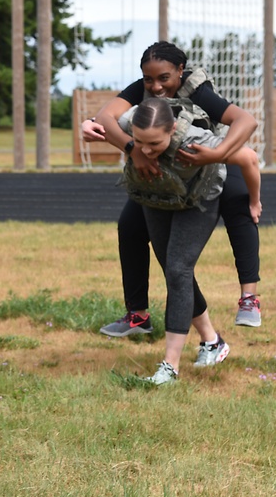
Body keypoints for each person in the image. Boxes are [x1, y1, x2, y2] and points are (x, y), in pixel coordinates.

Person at [81, 41, 263, 333]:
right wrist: (132, 148)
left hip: (209, 158)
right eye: (149, 79)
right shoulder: (140, 88)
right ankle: (138, 315)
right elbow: (104, 117)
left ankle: (249, 298)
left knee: (240, 207)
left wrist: (218, 155)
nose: (155, 86)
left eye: (164, 78)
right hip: (170, 167)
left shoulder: (198, 91)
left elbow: (246, 121)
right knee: (130, 226)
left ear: (180, 70)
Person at [119, 96, 243, 385]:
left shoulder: (198, 140)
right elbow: (104, 120)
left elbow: (248, 159)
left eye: (155, 144)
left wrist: (254, 202)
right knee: (176, 273)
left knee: (178, 269)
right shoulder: (130, 123)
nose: (146, 151)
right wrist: (121, 143)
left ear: (173, 129)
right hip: (159, 198)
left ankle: (170, 367)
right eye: (140, 142)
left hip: (199, 201)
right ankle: (212, 342)